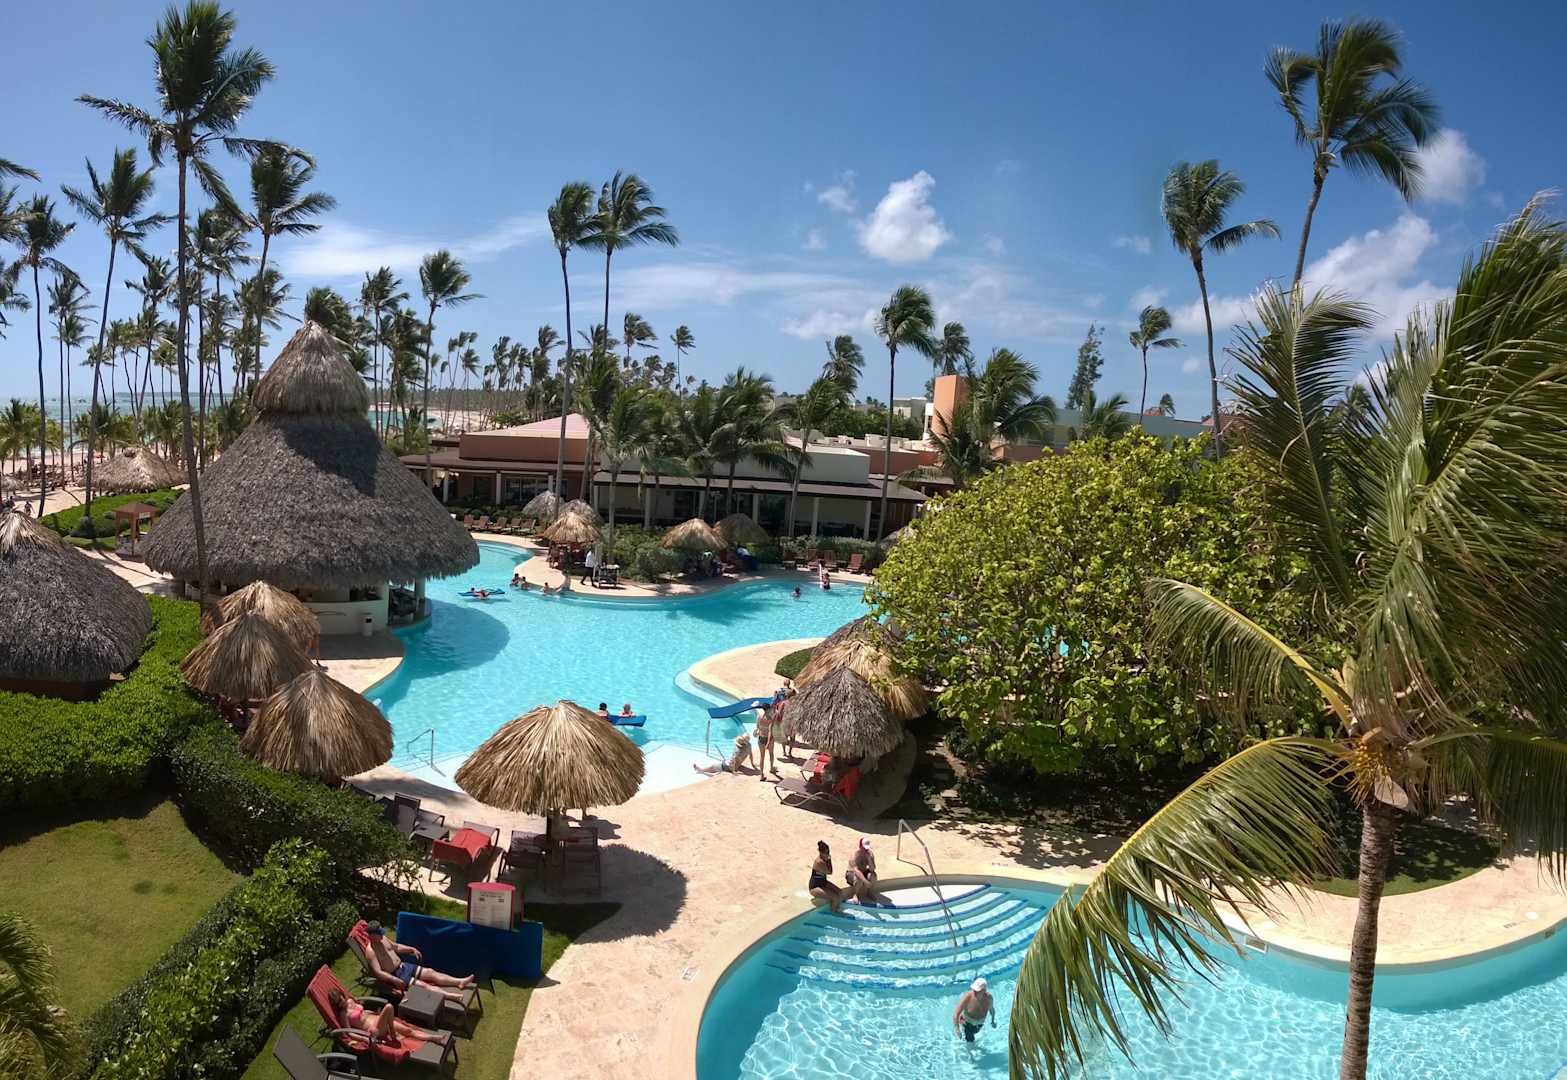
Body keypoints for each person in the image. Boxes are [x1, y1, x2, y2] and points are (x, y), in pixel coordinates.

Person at [361, 921, 476, 1003]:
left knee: (430, 972)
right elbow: (378, 972)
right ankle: (450, 996)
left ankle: (459, 982)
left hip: (404, 966)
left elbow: (396, 947)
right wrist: (394, 980)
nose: (383, 934)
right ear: (372, 935)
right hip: (396, 975)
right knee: (424, 986)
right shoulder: (370, 952)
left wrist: (411, 949)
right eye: (380, 933)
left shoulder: (383, 939)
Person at [326, 986, 449, 1047]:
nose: (341, 1003)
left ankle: (434, 1038)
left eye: (341, 999)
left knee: (408, 1031)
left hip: (379, 1020)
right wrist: (364, 1039)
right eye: (338, 1003)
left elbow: (364, 1012)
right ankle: (393, 1033)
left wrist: (373, 1012)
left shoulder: (350, 1001)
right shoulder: (343, 1014)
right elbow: (350, 1033)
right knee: (389, 1006)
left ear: (342, 995)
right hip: (374, 1030)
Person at [846, 837, 889, 905]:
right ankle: (855, 894)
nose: (866, 850)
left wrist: (869, 859)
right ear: (860, 846)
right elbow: (856, 871)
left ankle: (869, 892)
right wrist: (865, 881)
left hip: (863, 871)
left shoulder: (870, 854)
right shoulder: (854, 855)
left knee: (873, 875)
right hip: (851, 873)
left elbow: (872, 869)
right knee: (859, 879)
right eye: (864, 848)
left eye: (867, 848)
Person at [953, 977, 996, 1043]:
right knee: (970, 1041)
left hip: (979, 1025)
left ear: (984, 990)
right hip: (966, 1023)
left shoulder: (989, 998)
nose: (974, 992)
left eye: (977, 991)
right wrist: (957, 1029)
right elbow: (956, 1013)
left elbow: (992, 1010)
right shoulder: (968, 997)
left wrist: (993, 1020)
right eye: (974, 990)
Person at [809, 840, 845, 913]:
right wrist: (829, 860)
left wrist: (828, 859)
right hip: (815, 887)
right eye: (826, 853)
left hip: (823, 883)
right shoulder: (819, 862)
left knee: (840, 892)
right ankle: (834, 912)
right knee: (835, 897)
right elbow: (830, 872)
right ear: (821, 852)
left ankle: (836, 908)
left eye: (828, 852)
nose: (828, 854)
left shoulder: (825, 859)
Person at [754, 702, 780, 780]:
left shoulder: (759, 717)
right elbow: (771, 731)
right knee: (771, 754)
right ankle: (771, 768)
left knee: (762, 757)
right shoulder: (771, 719)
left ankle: (761, 775)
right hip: (769, 739)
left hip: (761, 738)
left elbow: (757, 727)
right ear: (768, 709)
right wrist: (768, 742)